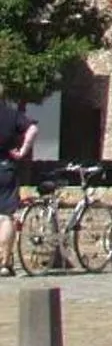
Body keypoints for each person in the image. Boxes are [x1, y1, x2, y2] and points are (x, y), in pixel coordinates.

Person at [0, 97, 38, 276]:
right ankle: (4, 263)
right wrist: (23, 150)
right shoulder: (11, 115)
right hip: (5, 167)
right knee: (6, 216)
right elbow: (32, 129)